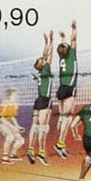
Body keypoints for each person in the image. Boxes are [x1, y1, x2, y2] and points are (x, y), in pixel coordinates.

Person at [27, 31, 54, 165]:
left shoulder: (40, 71)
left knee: (35, 126)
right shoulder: (46, 69)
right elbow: (49, 54)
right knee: (43, 127)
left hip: (38, 101)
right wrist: (51, 41)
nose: (44, 60)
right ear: (42, 64)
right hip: (45, 100)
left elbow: (44, 54)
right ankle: (41, 153)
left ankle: (30, 149)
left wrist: (46, 42)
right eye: (42, 61)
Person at [53, 23, 79, 158]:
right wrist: (74, 28)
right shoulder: (71, 55)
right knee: (66, 118)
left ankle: (60, 143)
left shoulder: (61, 56)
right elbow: (73, 39)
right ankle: (60, 144)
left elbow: (64, 46)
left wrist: (63, 39)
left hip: (61, 88)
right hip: (69, 88)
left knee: (62, 117)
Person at [0, 84, 25, 164]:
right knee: (10, 136)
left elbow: (12, 117)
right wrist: (12, 127)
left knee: (21, 140)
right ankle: (4, 158)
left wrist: (17, 126)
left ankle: (12, 155)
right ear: (9, 96)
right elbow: (1, 119)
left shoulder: (15, 104)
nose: (16, 96)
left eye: (16, 95)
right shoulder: (5, 103)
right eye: (15, 95)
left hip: (7, 123)